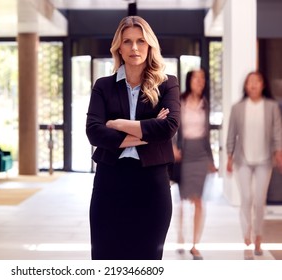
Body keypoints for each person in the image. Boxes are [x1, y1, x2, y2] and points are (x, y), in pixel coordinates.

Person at [86, 16, 180, 260]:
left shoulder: (168, 84)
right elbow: (94, 132)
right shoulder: (103, 86)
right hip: (110, 181)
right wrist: (148, 131)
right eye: (127, 41)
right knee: (105, 259)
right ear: (119, 46)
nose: (135, 48)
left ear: (150, 45)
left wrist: (118, 125)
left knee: (147, 260)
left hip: (152, 183)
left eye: (141, 41)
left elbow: (169, 127)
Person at [226, 71, 282, 260]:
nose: (253, 85)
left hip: (265, 161)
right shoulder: (238, 108)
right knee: (247, 198)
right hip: (242, 160)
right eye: (250, 82)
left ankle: (258, 235)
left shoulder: (271, 107)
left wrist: (279, 152)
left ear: (263, 85)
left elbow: (277, 131)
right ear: (246, 86)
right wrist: (229, 156)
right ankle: (246, 235)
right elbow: (231, 133)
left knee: (259, 200)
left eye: (257, 82)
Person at [172, 69, 217, 260]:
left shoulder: (205, 105)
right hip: (183, 153)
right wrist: (173, 147)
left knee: (199, 200)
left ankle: (195, 244)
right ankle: (180, 236)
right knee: (182, 200)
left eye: (203, 79)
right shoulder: (179, 103)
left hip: (200, 155)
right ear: (189, 81)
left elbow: (207, 135)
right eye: (197, 78)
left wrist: (211, 161)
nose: (200, 81)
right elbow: (173, 127)